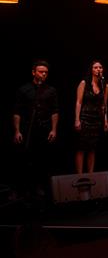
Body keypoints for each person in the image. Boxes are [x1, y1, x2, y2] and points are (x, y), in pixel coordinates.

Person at [12, 60, 59, 198]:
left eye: (46, 72)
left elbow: (55, 111)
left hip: (43, 129)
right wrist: (17, 130)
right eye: (40, 71)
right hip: (27, 129)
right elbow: (17, 111)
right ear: (33, 72)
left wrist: (54, 129)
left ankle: (39, 187)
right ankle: (21, 188)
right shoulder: (24, 89)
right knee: (24, 159)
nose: (43, 74)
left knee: (41, 160)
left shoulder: (51, 91)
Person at [74, 60, 108, 173]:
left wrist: (105, 121)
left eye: (100, 67)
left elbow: (104, 105)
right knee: (81, 147)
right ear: (91, 70)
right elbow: (79, 102)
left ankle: (90, 175)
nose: (98, 69)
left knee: (92, 148)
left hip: (96, 119)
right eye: (95, 67)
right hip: (85, 118)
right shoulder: (84, 83)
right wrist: (77, 119)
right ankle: (80, 176)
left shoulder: (104, 85)